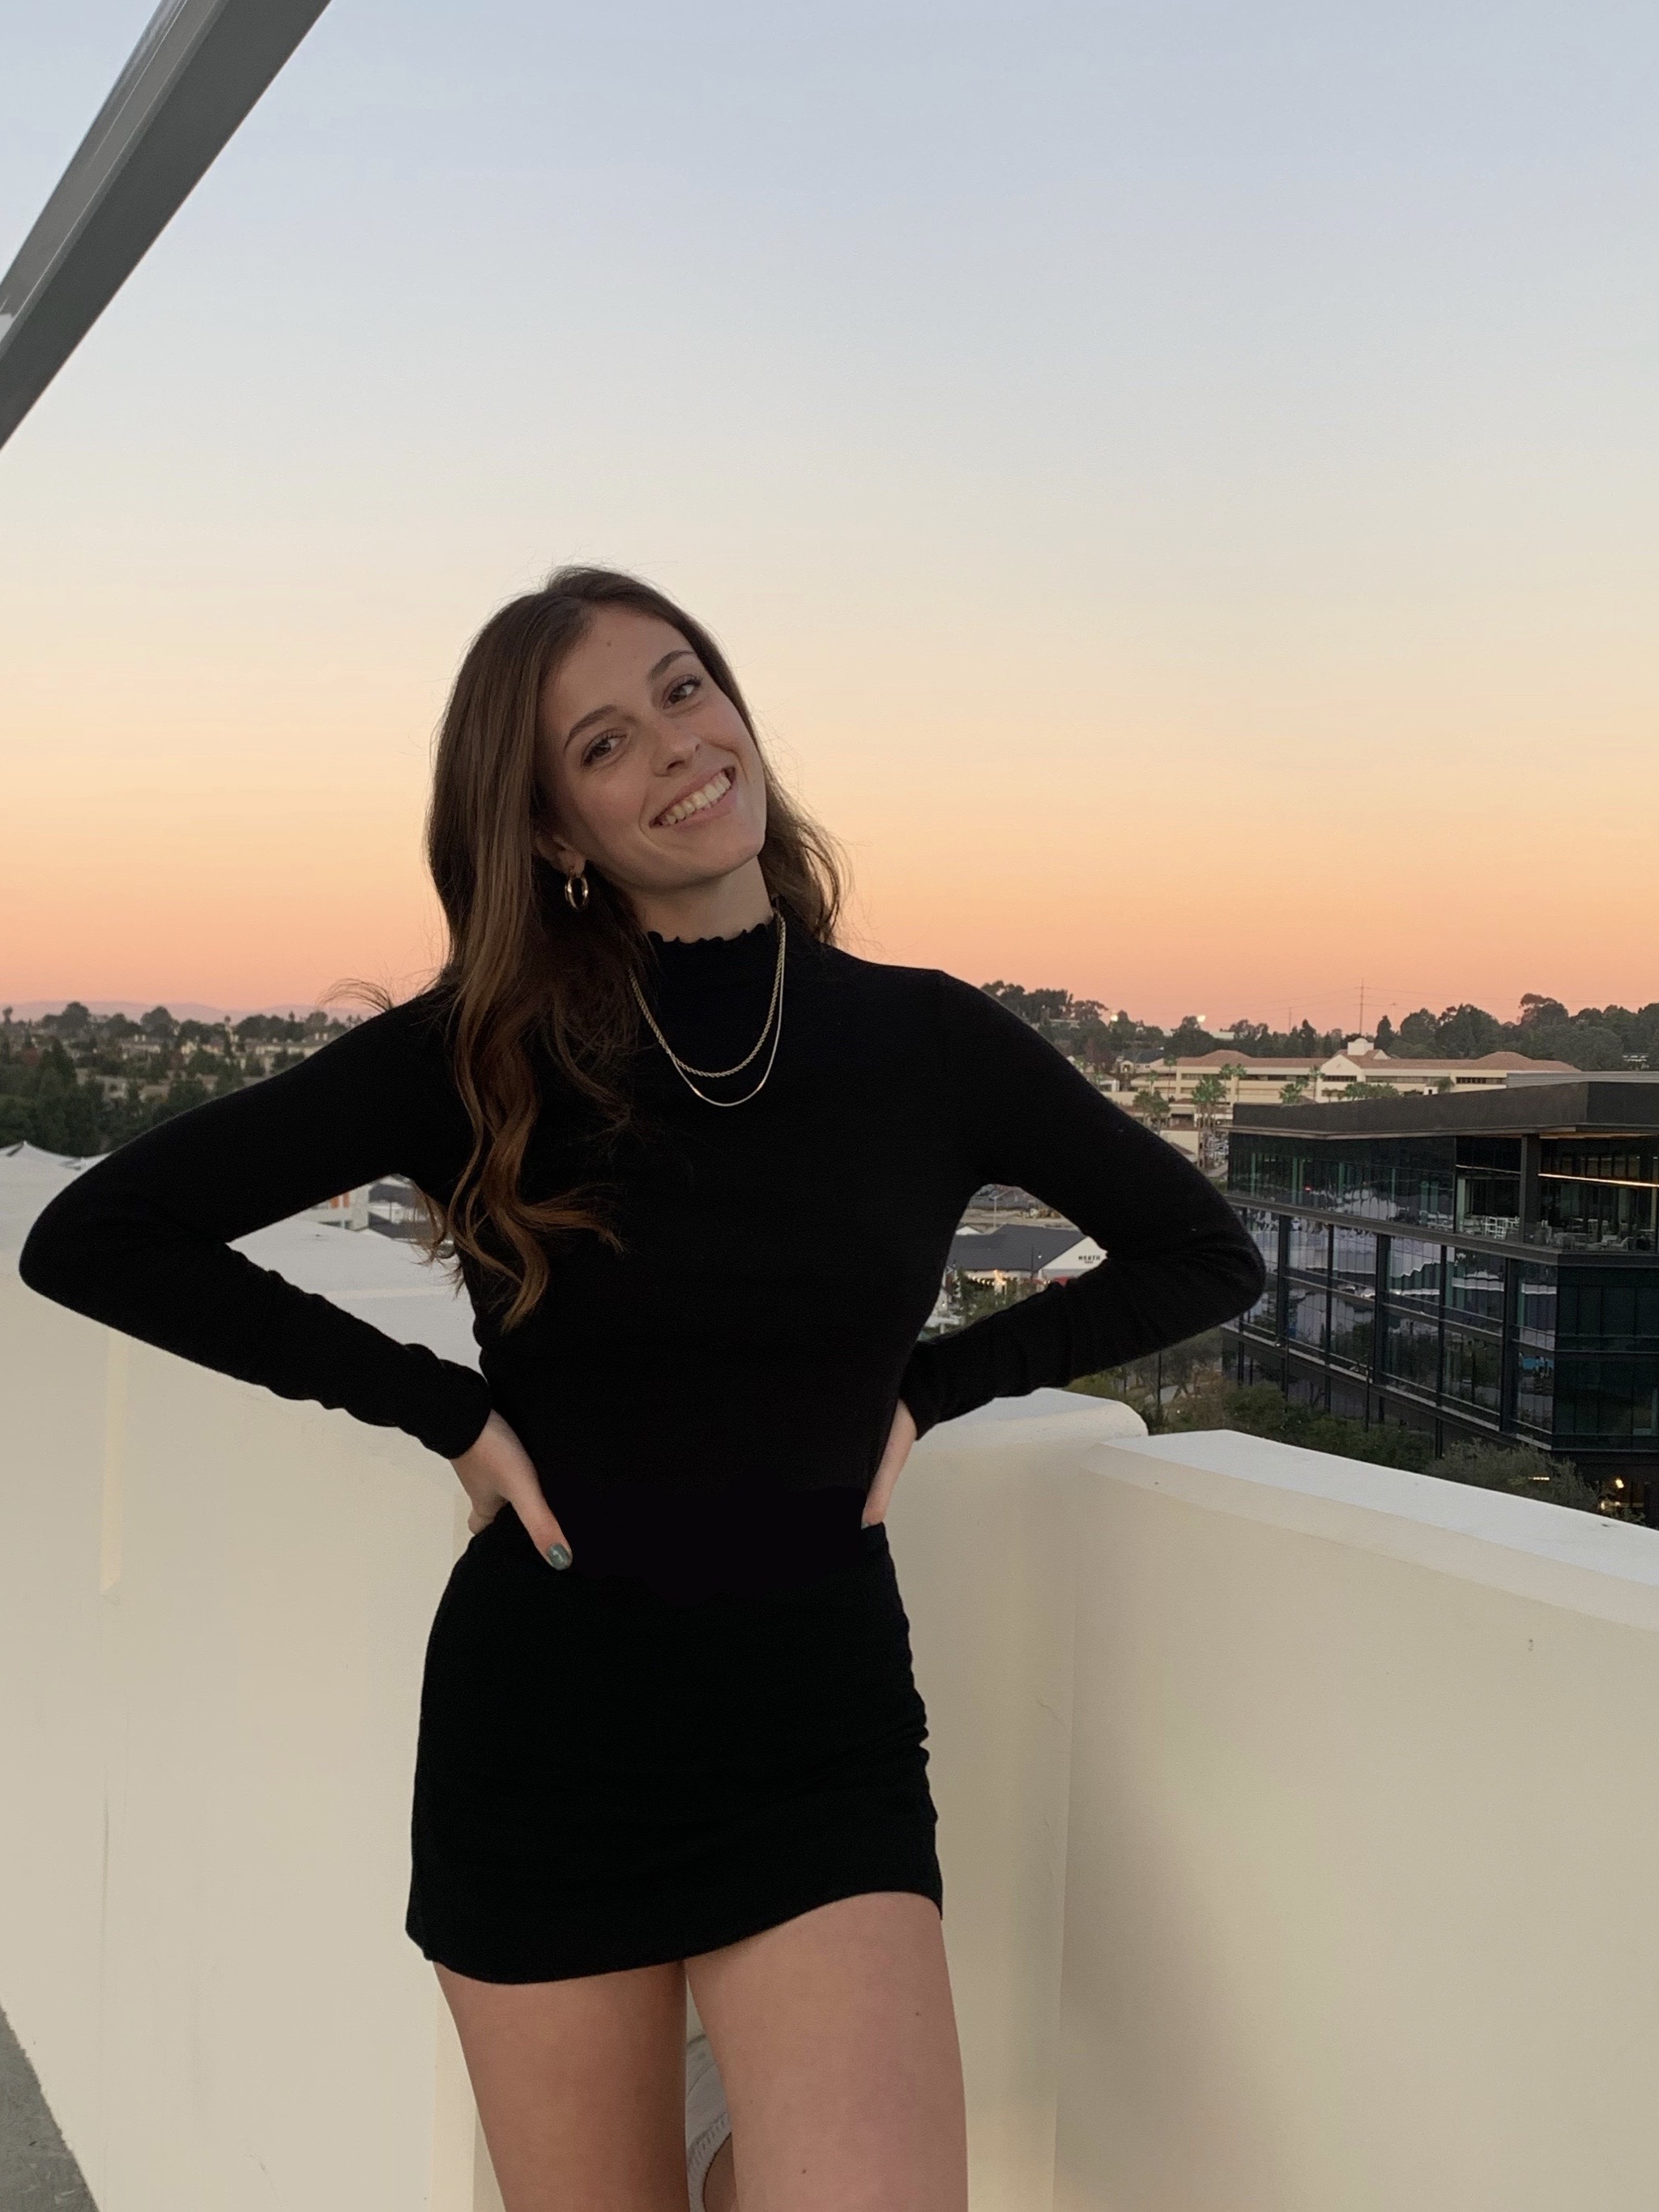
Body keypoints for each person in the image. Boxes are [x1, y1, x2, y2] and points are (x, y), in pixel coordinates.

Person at [19, 565, 1265, 2211]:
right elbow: (99, 1236)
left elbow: (1202, 1252)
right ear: (553, 828)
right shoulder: (478, 1050)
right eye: (604, 742)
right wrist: (441, 1411)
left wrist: (931, 1388)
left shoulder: (928, 1044)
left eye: (685, 688)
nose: (678, 744)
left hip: (815, 1727)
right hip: (547, 1737)